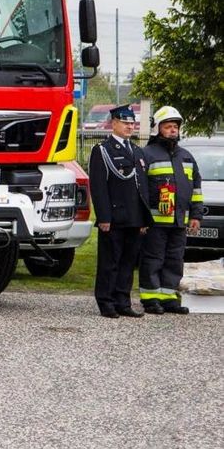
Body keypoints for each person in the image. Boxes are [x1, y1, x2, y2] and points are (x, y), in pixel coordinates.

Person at [139, 105, 205, 315]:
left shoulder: (186, 157)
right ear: (157, 129)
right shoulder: (146, 154)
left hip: (179, 221)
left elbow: (195, 189)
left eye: (175, 126)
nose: (172, 130)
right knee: (153, 258)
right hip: (155, 222)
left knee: (175, 260)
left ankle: (169, 298)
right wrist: (142, 219)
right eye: (168, 126)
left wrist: (195, 215)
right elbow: (139, 190)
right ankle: (150, 299)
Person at [88, 105, 152, 319]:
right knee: (110, 262)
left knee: (127, 263)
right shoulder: (103, 150)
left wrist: (144, 217)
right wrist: (104, 217)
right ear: (113, 123)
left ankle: (123, 301)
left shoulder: (136, 151)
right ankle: (106, 301)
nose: (129, 127)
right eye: (125, 123)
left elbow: (142, 186)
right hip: (114, 217)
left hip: (134, 217)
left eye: (131, 123)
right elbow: (98, 187)